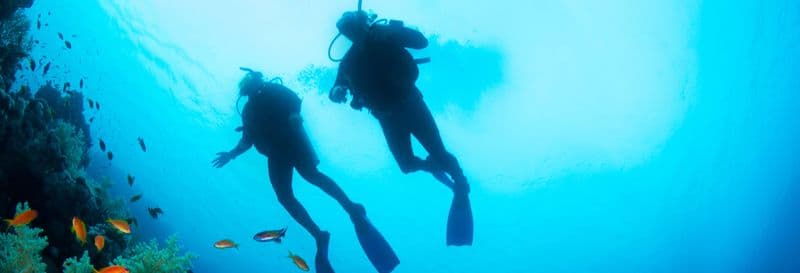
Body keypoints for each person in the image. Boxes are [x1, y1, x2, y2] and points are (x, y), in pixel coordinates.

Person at [213, 68, 397, 273]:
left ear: (257, 80)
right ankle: (319, 234)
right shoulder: (247, 111)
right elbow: (247, 140)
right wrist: (231, 154)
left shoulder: (273, 89)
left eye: (250, 82)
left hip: (292, 141)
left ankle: (350, 207)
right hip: (276, 154)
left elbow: (295, 102)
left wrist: (293, 116)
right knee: (285, 196)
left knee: (311, 176)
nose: (249, 87)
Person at [329, 11, 473, 246]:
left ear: (364, 24)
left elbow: (421, 42)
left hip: (412, 105)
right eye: (347, 33)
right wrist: (336, 92)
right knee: (406, 165)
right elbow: (336, 86)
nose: (352, 35)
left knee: (439, 151)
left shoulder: (387, 35)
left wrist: (395, 31)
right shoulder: (348, 61)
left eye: (353, 29)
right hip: (387, 118)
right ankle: (434, 167)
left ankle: (460, 181)